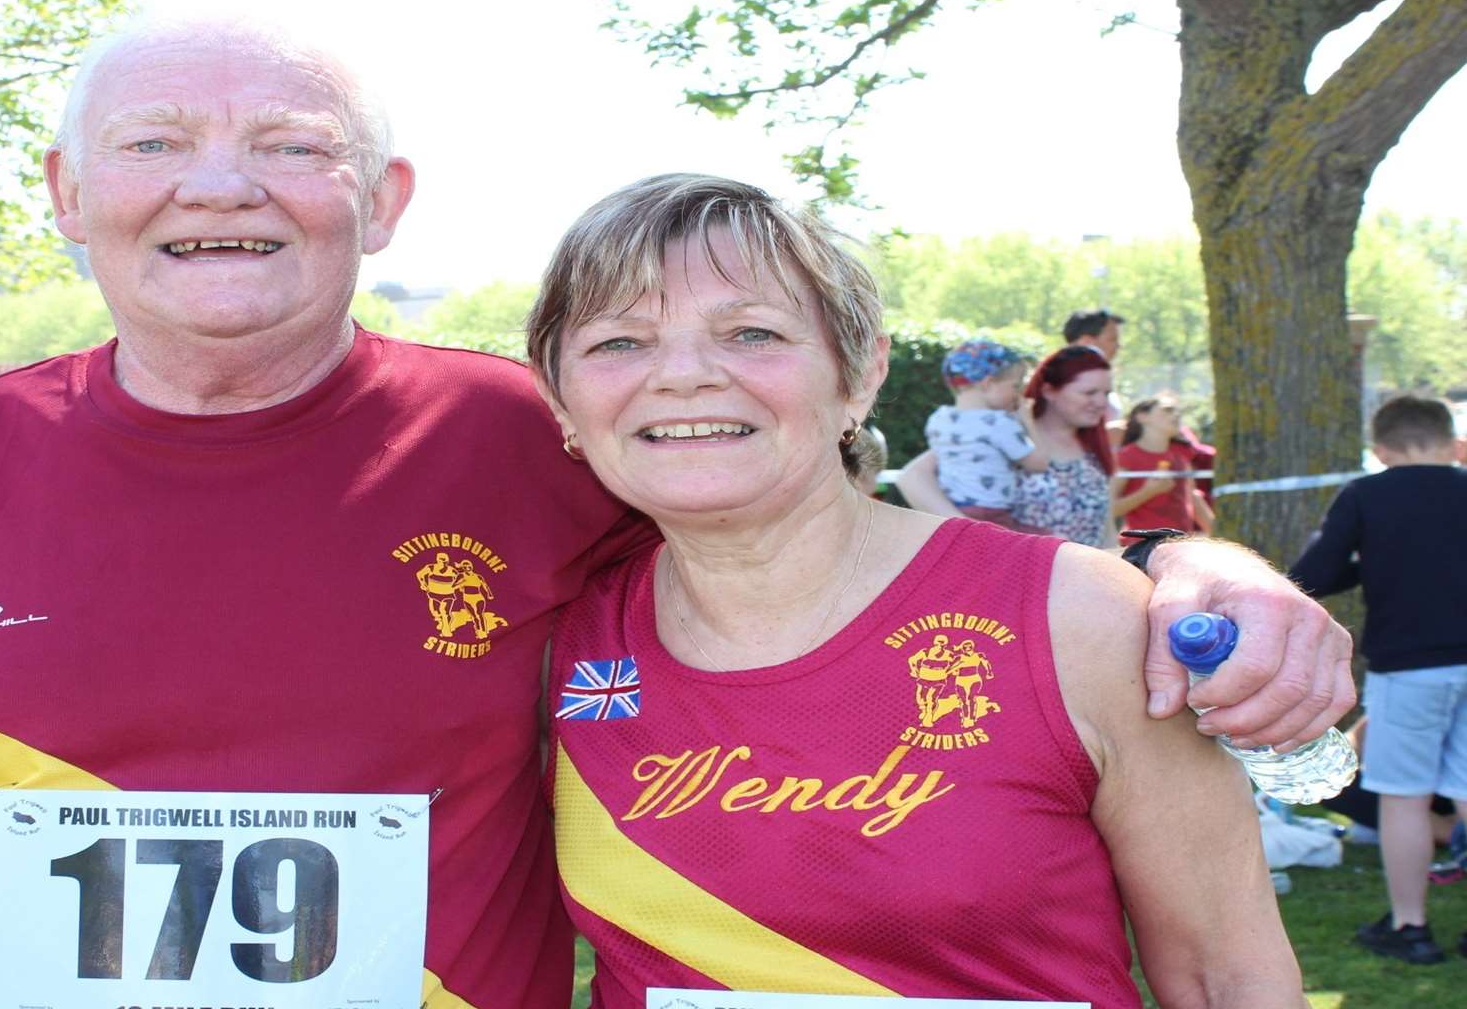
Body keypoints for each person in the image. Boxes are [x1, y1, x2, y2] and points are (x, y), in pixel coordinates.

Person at [0, 14, 1355, 1009]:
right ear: (69, 194)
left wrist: (1200, 568)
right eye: (154, 142)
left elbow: (811, 546)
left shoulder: (514, 444)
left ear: (380, 203)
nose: (218, 186)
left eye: (290, 147)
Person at [531, 174, 1299, 1005]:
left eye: (751, 332)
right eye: (618, 342)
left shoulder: (1080, 620)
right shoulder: (549, 642)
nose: (682, 376)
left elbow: (1227, 974)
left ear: (858, 375)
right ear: (559, 397)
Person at [1290, 394, 1467, 965]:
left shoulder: (1368, 492)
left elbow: (1311, 575)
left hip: (1409, 665)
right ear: (1451, 443)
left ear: (1381, 450)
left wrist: (1374, 561)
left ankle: (1410, 924)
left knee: (1404, 796)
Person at [899, 346, 1119, 547]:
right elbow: (910, 478)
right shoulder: (999, 431)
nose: (1101, 403)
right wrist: (969, 530)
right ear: (1049, 391)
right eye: (1089, 392)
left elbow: (1106, 526)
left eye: (1106, 394)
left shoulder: (1093, 447)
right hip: (1019, 569)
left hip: (1085, 576)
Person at [923, 339, 1048, 530]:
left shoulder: (938, 420)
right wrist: (1028, 421)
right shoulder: (999, 423)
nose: (1018, 395)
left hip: (951, 508)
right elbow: (1039, 464)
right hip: (992, 513)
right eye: (1015, 386)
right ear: (988, 383)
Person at [1113, 394, 1214, 534]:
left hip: (1182, 544)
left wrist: (1222, 537)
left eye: (1178, 411)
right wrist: (1148, 492)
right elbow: (1109, 510)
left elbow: (1193, 497)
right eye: (1167, 410)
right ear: (1142, 416)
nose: (1176, 415)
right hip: (1141, 547)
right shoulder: (1125, 456)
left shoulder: (1182, 453)